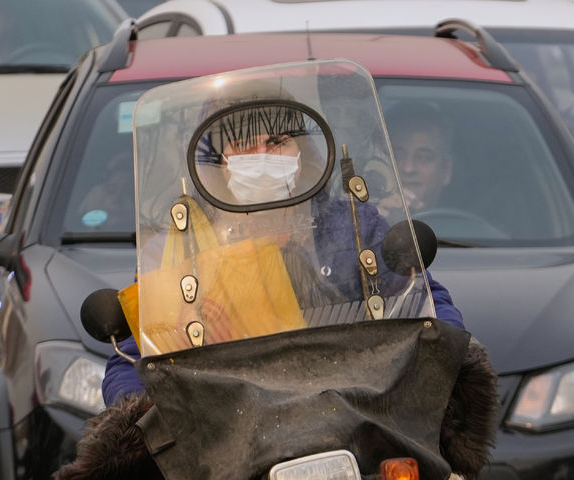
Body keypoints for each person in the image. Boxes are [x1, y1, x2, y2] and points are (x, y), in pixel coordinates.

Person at [101, 100, 465, 407]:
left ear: (301, 152)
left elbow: (426, 301)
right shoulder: (177, 248)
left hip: (350, 415)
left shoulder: (353, 225)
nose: (262, 156)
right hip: (226, 434)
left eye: (277, 142)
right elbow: (133, 361)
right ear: (215, 161)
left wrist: (447, 352)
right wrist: (141, 409)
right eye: (244, 144)